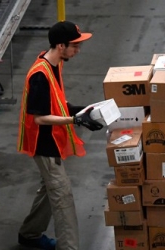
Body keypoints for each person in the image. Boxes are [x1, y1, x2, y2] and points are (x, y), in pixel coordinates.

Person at [16, 20, 103, 250]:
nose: (78, 50)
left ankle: (30, 234)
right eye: (74, 46)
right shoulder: (39, 75)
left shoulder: (54, 64)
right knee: (62, 197)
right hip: (43, 144)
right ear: (60, 46)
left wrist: (83, 110)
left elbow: (56, 101)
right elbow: (39, 118)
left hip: (53, 140)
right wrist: (75, 120)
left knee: (49, 189)